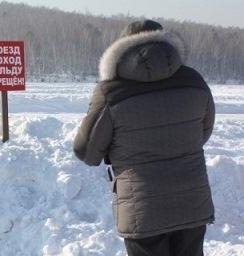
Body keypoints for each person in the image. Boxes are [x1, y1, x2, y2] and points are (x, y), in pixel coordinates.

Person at [73, 20, 215, 256]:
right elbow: (203, 132)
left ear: (121, 49)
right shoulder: (194, 81)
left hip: (143, 210)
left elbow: (86, 152)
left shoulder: (111, 92)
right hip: (192, 202)